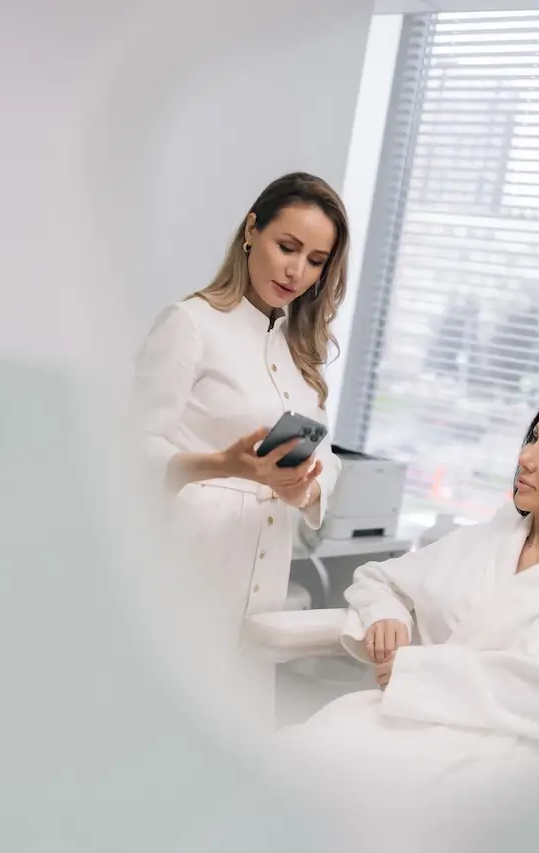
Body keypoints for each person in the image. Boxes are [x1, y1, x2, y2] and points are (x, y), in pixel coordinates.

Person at [274, 392, 539, 790]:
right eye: (533, 439)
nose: (526, 457)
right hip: (404, 722)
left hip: (500, 755)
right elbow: (379, 578)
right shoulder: (488, 540)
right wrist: (385, 614)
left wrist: (422, 675)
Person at [131, 172, 350, 729]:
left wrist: (306, 486)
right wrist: (222, 464)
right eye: (288, 247)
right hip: (187, 571)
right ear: (252, 230)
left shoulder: (303, 356)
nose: (297, 271)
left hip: (264, 583)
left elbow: (329, 460)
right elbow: (132, 451)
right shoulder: (191, 325)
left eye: (317, 260)